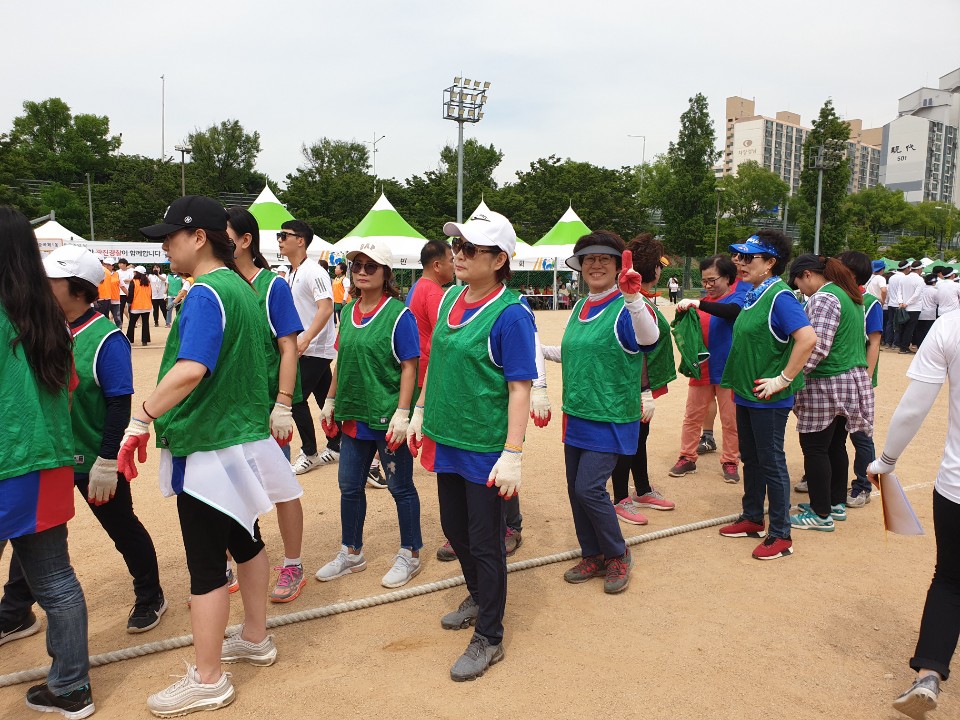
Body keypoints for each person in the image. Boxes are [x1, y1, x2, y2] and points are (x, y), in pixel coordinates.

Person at [122, 196, 297, 716]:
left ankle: (208, 677)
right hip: (240, 437)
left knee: (206, 566)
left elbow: (192, 367)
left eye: (171, 237)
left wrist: (143, 416)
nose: (164, 246)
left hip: (208, 444)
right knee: (246, 542)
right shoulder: (242, 287)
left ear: (199, 237)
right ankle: (256, 636)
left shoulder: (205, 292)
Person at [2, 244, 167, 641]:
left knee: (121, 527)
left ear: (77, 288)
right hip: (51, 456)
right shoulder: (41, 328)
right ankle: (16, 610)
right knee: (32, 531)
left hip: (93, 457)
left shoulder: (105, 338)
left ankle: (150, 594)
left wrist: (107, 459)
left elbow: (117, 402)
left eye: (52, 280)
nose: (42, 285)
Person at [406, 210, 537, 681]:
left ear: (500, 258)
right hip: (447, 436)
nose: (457, 255)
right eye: (457, 246)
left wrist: (513, 453)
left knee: (485, 542)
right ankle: (480, 595)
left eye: (471, 248)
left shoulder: (511, 315)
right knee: (454, 529)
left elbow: (521, 386)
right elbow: (434, 362)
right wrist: (419, 411)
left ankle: (491, 635)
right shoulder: (448, 300)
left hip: (485, 445)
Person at [0, 207, 94, 718]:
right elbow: (71, 389)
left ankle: (72, 684)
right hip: (50, 462)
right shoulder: (49, 318)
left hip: (8, 461)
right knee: (56, 577)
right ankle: (71, 686)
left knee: (55, 579)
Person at [542, 231, 659, 594]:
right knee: (575, 490)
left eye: (603, 259)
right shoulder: (580, 306)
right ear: (580, 266)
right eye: (588, 258)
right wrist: (538, 348)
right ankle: (592, 553)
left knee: (589, 488)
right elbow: (576, 350)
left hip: (610, 415)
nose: (595, 265)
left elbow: (648, 339)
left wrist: (632, 297)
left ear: (617, 264)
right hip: (576, 411)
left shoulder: (627, 304)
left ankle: (617, 553)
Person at [314, 239, 423, 588]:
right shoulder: (347, 311)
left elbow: (410, 366)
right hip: (353, 413)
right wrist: (330, 400)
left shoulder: (398, 314)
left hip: (386, 415)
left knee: (400, 486)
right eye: (357, 265)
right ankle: (352, 551)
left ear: (385, 273)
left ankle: (410, 553)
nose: (361, 271)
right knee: (349, 485)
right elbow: (341, 361)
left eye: (370, 266)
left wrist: (403, 412)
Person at [867, 310, 960, 719]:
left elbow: (913, 408)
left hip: (958, 485)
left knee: (951, 579)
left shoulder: (951, 325)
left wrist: (885, 461)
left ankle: (928, 674)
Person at [718, 231, 816, 560]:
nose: (739, 262)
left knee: (771, 462)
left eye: (749, 258)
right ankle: (751, 517)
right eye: (738, 256)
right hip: (748, 393)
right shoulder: (753, 292)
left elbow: (807, 338)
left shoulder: (780, 296)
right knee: (753, 458)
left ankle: (780, 534)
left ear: (770, 263)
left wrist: (784, 378)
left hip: (768, 398)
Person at [227, 206, 308, 604]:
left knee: (280, 488)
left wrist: (283, 403)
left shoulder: (271, 287)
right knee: (227, 490)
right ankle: (232, 560)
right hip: (226, 412)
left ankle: (292, 563)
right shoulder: (214, 285)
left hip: (263, 409)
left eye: (223, 234)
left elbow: (288, 346)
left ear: (245, 241)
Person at [787, 254, 872, 533]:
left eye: (799, 283)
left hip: (826, 382)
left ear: (808, 275)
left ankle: (821, 513)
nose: (800, 290)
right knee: (835, 445)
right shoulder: (850, 296)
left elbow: (817, 346)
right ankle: (834, 503)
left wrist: (790, 377)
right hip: (851, 381)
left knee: (814, 447)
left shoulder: (823, 298)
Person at [609, 233, 676, 526]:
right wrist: (642, 391)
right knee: (627, 440)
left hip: (638, 387)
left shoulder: (642, 298)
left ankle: (643, 488)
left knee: (639, 438)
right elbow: (640, 352)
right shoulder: (634, 302)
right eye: (660, 264)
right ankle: (620, 497)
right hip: (631, 387)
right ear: (654, 268)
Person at [671, 255, 747, 483]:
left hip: (728, 371)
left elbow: (733, 312)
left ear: (728, 277)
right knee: (692, 416)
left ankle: (731, 461)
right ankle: (687, 457)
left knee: (731, 419)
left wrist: (699, 303)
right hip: (702, 370)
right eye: (704, 281)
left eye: (712, 280)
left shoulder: (739, 297)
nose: (708, 286)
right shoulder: (701, 304)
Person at [280, 220, 340, 474]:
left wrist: (305, 339)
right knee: (327, 397)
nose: (280, 239)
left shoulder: (313, 271)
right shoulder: (294, 271)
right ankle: (338, 445)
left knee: (294, 398)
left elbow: (326, 308)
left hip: (313, 348)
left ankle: (310, 452)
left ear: (300, 240)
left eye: (284, 235)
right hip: (307, 347)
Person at [836, 250, 883, 509]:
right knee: (832, 431)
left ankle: (863, 485)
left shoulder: (870, 302)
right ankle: (826, 477)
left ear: (852, 273)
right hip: (836, 377)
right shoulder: (833, 295)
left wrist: (865, 378)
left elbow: (874, 342)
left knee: (860, 434)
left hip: (857, 377)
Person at [899, 261, 926, 354]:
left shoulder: (904, 278)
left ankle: (902, 346)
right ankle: (904, 347)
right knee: (909, 329)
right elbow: (917, 295)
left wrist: (901, 302)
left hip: (903, 307)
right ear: (919, 269)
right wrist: (907, 303)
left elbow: (900, 291)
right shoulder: (920, 280)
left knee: (903, 327)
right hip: (914, 307)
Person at [884, 261, 909, 349]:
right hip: (899, 304)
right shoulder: (905, 278)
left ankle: (888, 341)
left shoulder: (892, 277)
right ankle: (896, 343)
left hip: (891, 303)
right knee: (899, 324)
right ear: (906, 268)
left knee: (890, 323)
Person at [125, 265, 152, 346]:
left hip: (136, 306)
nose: (134, 273)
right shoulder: (148, 282)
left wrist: (129, 303)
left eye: (135, 272)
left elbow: (131, 294)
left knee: (132, 323)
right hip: (147, 306)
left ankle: (129, 340)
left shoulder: (134, 281)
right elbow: (151, 294)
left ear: (138, 273)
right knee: (145, 323)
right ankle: (145, 341)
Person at [917, 275, 940, 346]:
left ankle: (919, 345)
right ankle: (926, 346)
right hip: (930, 314)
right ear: (934, 282)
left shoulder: (921, 289)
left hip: (920, 312)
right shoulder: (935, 291)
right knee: (928, 331)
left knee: (919, 330)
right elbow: (937, 302)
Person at [109, 260, 123, 328]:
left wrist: (128, 295)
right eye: (106, 264)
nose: (108, 266)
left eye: (109, 265)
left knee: (117, 318)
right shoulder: (102, 274)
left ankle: (120, 333)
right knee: (105, 318)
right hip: (104, 299)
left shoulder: (117, 274)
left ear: (112, 266)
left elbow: (122, 286)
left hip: (115, 300)